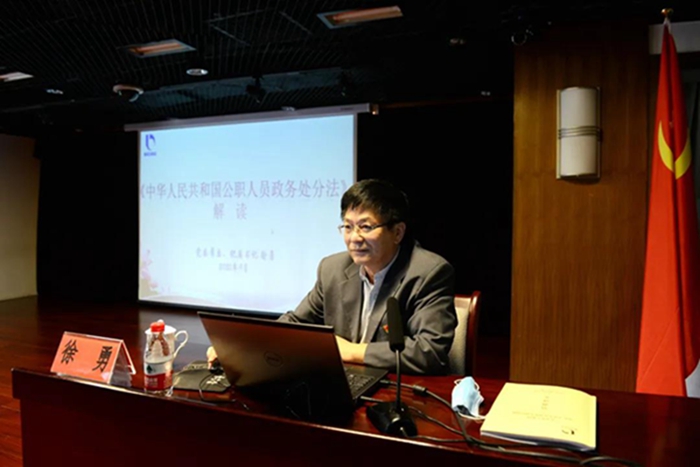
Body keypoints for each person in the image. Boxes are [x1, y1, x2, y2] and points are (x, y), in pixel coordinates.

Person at [208, 179, 457, 374]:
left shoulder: (428, 273)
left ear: (398, 232)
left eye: (366, 227)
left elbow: (430, 352)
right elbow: (296, 323)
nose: (354, 237)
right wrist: (242, 348)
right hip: (343, 382)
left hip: (396, 390)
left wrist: (351, 351)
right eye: (348, 226)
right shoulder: (333, 269)